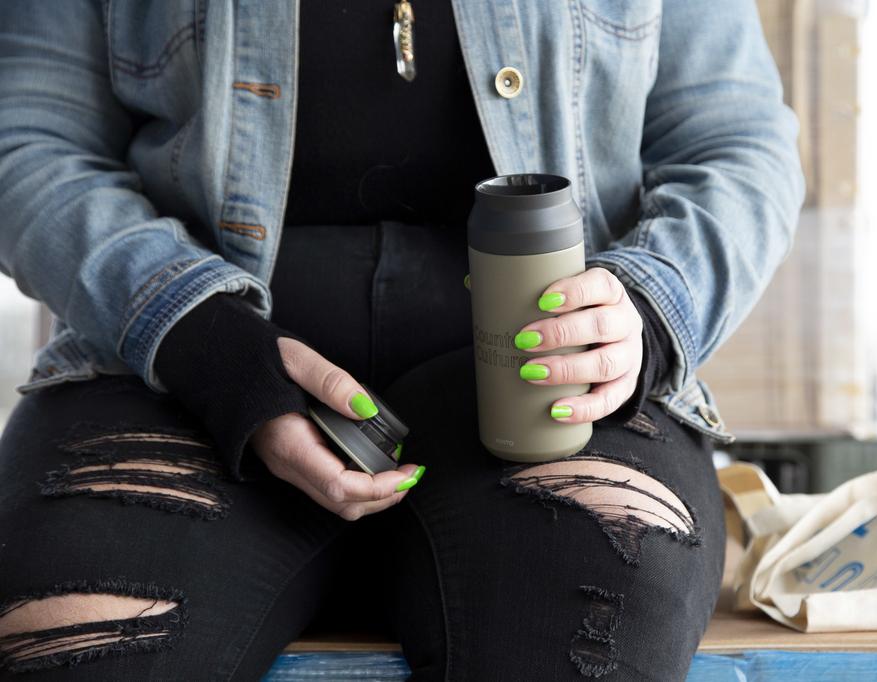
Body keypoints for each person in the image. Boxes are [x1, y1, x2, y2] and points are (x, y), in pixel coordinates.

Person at [0, 1, 804, 679]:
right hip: (187, 378)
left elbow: (735, 144)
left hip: (548, 390)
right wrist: (205, 344)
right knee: (82, 645)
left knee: (585, 632)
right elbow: (28, 140)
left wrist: (645, 312)